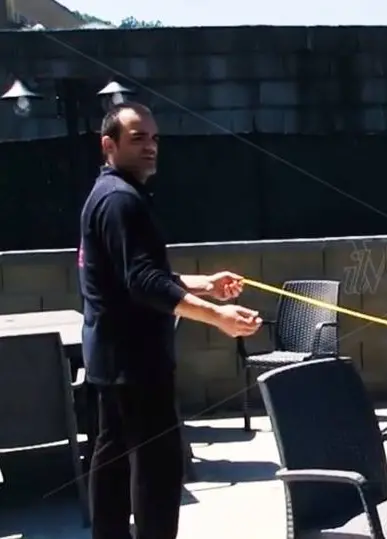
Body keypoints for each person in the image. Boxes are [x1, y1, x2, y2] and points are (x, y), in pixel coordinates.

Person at [79, 101, 263, 539]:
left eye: (154, 138)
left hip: (112, 358)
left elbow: (133, 275)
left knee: (113, 455)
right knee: (158, 468)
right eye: (137, 138)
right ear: (109, 145)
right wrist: (217, 316)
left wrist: (206, 285)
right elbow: (144, 283)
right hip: (137, 362)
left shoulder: (106, 195)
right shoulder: (122, 201)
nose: (150, 147)